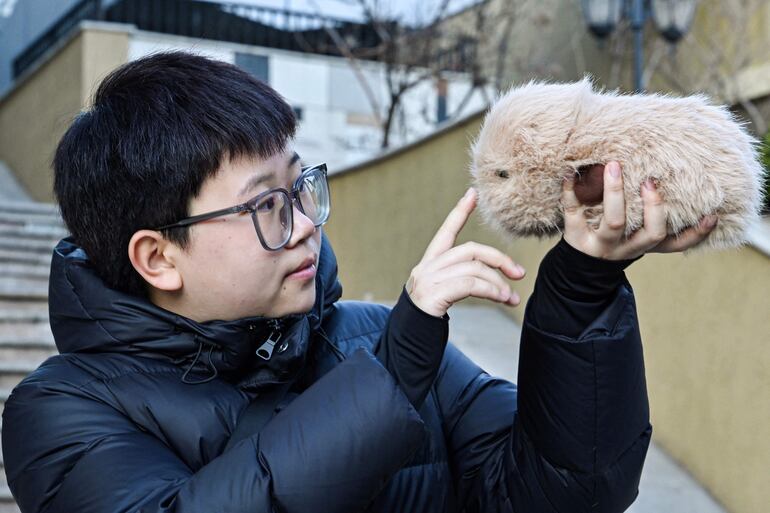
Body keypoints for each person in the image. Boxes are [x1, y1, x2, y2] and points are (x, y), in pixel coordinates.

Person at [1, 52, 717, 513]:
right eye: (267, 206)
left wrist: (582, 287)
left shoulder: (373, 337)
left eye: (301, 185)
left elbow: (569, 491)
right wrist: (387, 382)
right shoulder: (57, 413)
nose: (308, 223)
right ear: (158, 258)